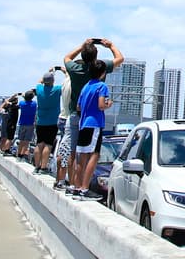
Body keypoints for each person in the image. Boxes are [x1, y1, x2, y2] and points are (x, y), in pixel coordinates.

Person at [56, 39, 123, 191]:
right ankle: (84, 187)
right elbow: (120, 59)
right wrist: (111, 45)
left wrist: (83, 45)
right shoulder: (99, 69)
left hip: (75, 116)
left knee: (75, 153)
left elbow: (67, 58)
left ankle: (74, 184)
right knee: (93, 153)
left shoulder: (75, 69)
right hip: (93, 120)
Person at [71, 59, 112, 200]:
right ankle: (85, 188)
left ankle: (77, 188)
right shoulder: (102, 86)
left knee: (82, 157)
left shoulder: (85, 87)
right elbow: (101, 105)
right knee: (94, 156)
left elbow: (78, 107)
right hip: (95, 124)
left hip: (83, 124)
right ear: (102, 73)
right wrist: (108, 104)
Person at [33, 71, 62, 175]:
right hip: (52, 121)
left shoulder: (39, 89)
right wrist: (62, 70)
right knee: (48, 145)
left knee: (39, 144)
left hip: (40, 121)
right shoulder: (57, 89)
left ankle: (37, 166)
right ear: (53, 81)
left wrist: (49, 72)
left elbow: (39, 81)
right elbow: (68, 81)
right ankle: (43, 167)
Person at [16, 90, 38, 159]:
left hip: (22, 123)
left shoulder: (22, 103)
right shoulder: (34, 104)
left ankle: (18, 154)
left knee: (21, 140)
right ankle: (22, 155)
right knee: (27, 141)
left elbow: (24, 101)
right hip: (30, 124)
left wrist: (23, 95)